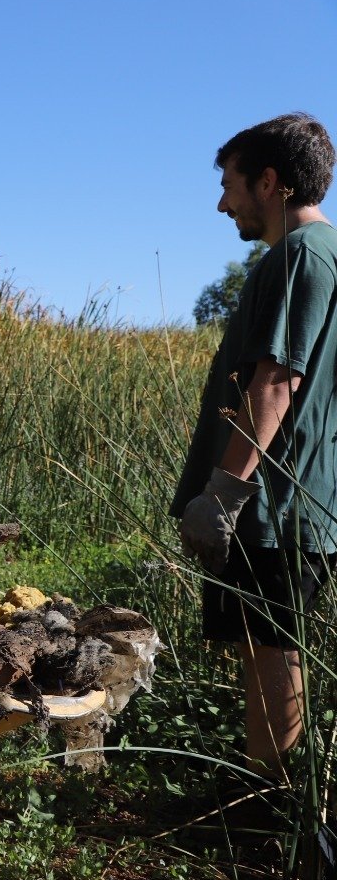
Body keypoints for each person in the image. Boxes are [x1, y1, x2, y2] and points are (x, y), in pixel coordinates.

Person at [173, 113, 337, 781]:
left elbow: (276, 380)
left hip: (274, 506)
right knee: (264, 644)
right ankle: (264, 792)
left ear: (269, 182)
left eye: (231, 184)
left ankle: (270, 807)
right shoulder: (317, 255)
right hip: (287, 503)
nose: (222, 201)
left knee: (272, 649)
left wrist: (224, 495)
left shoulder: (301, 255)